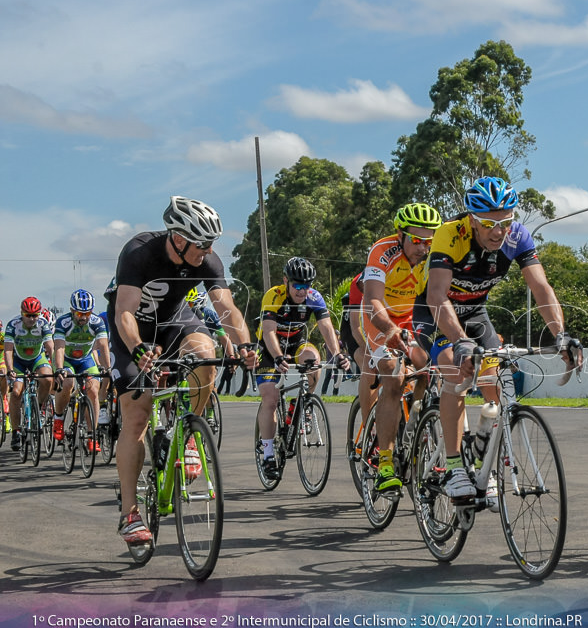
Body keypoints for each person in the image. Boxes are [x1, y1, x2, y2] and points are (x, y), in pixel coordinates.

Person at [412, 176, 577, 499]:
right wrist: (459, 341)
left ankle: (483, 448)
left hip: (475, 312)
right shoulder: (450, 234)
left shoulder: (517, 236)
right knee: (454, 368)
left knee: (497, 377)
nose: (498, 231)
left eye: (505, 221)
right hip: (435, 311)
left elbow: (541, 288)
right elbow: (436, 295)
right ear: (472, 219)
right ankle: (454, 466)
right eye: (489, 223)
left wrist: (561, 335)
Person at [110, 196, 256, 546]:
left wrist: (246, 342)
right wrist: (137, 348)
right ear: (178, 238)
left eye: (211, 244)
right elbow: (124, 311)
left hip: (173, 321)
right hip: (134, 329)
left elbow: (226, 306)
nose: (207, 251)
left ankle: (190, 435)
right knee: (137, 416)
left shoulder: (207, 260)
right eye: (202, 244)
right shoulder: (139, 251)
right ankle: (130, 513)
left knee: (205, 353)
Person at [359, 202, 442, 493]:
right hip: (379, 317)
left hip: (411, 317)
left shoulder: (434, 256)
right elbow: (373, 301)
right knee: (394, 377)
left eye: (429, 241)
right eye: (417, 240)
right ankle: (384, 462)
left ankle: (416, 428)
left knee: (432, 369)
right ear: (400, 234)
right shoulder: (383, 251)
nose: (423, 247)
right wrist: (390, 330)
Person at [254, 256, 343, 480]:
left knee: (314, 359)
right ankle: (267, 454)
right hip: (269, 348)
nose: (303, 291)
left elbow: (326, 326)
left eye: (307, 286)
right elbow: (269, 331)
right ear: (286, 281)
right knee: (271, 399)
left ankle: (304, 404)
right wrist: (276, 357)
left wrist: (338, 354)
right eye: (298, 286)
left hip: (296, 344)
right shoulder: (274, 295)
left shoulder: (313, 297)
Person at [52, 289, 111, 448]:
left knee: (93, 390)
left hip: (86, 359)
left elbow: (103, 345)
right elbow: (59, 348)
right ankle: (58, 419)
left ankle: (93, 435)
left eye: (87, 313)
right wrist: (59, 369)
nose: (84, 317)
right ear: (72, 311)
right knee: (67, 384)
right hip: (67, 359)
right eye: (79, 314)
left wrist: (107, 369)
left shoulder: (97, 322)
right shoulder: (63, 322)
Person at [4, 297, 56, 452]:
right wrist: (10, 370)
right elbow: (7, 350)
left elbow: (50, 347)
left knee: (47, 378)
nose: (32, 319)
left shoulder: (43, 324)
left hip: (36, 358)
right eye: (28, 315)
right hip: (19, 360)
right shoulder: (13, 325)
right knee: (16, 393)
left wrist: (56, 369)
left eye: (35, 315)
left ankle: (38, 408)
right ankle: (16, 431)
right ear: (22, 314)